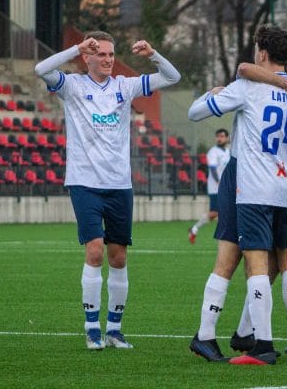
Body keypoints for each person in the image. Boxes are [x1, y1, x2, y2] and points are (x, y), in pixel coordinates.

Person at [34, 31, 180, 350]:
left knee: (119, 257)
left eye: (111, 54)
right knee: (95, 250)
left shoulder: (124, 86)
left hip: (119, 185)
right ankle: (91, 328)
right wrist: (74, 47)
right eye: (100, 53)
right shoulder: (72, 86)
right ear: (87, 57)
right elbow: (41, 69)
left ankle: (114, 329)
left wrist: (153, 54)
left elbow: (172, 76)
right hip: (84, 182)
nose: (108, 59)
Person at [188, 25, 287, 365]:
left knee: (246, 261)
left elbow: (195, 113)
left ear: (262, 52)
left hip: (252, 185)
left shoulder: (247, 87)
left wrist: (213, 94)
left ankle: (257, 342)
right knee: (286, 260)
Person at [187, 128, 230, 244]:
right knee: (215, 212)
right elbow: (213, 168)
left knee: (221, 213)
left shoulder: (227, 151)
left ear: (227, 138)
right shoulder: (213, 152)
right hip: (215, 187)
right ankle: (220, 237)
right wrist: (219, 181)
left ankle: (195, 229)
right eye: (218, 136)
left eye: (222, 136)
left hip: (226, 187)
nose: (219, 138)